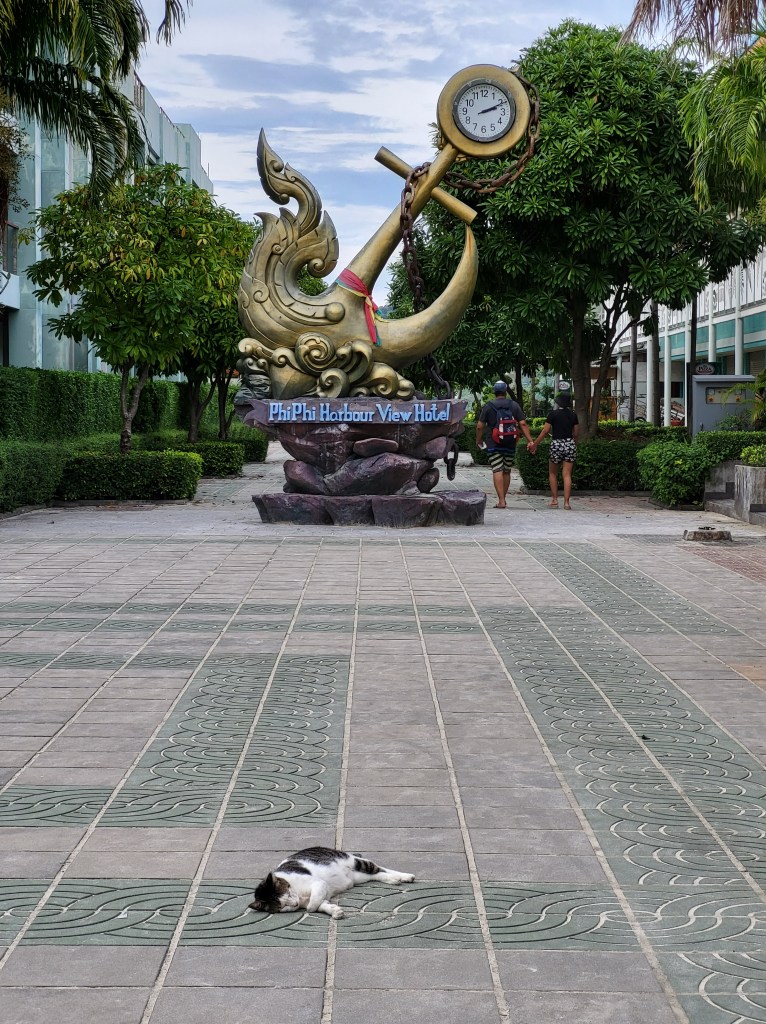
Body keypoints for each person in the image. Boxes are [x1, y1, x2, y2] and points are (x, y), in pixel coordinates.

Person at [476, 381, 534, 509]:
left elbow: (480, 426)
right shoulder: (514, 405)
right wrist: (530, 440)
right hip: (510, 442)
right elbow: (522, 424)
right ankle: (504, 498)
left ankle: (501, 500)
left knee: (497, 469)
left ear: (494, 392)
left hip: (493, 442)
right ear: (506, 392)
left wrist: (478, 440)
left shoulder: (488, 406)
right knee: (507, 470)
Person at [529, 392, 579, 510]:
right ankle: (566, 503)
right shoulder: (573, 415)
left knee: (552, 473)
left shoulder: (553, 414)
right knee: (567, 475)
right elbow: (576, 433)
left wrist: (535, 444)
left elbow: (545, 431)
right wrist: (574, 444)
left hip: (556, 444)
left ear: (558, 403)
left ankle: (555, 500)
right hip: (569, 443)